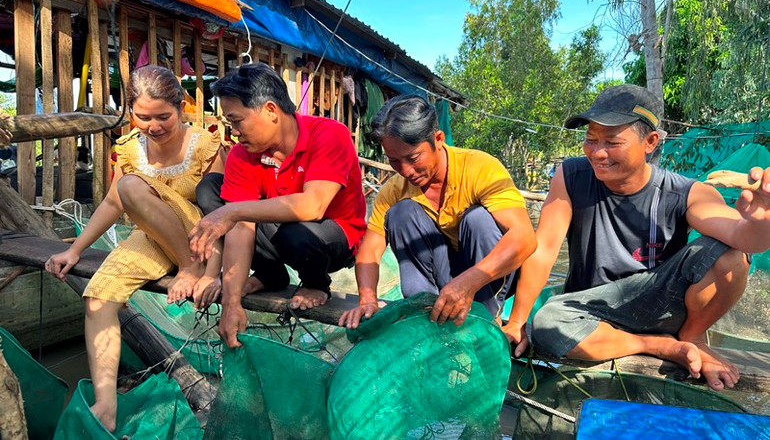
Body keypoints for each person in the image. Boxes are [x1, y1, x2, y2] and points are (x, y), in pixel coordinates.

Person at [505, 84, 770, 391]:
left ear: (651, 142)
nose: (597, 152)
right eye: (590, 140)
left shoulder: (686, 192)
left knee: (730, 253)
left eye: (612, 142)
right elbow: (545, 249)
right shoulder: (571, 175)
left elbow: (744, 238)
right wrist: (517, 321)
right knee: (547, 322)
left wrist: (760, 224)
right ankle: (660, 346)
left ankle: (693, 338)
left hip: (657, 305)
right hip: (589, 311)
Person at [44, 65, 226, 430]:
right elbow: (113, 204)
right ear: (131, 111)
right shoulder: (129, 149)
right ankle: (106, 405)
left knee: (130, 186)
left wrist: (207, 273)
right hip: (153, 238)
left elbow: (219, 212)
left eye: (163, 116)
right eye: (143, 117)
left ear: (181, 108)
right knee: (98, 298)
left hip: (200, 237)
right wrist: (75, 250)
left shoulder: (205, 144)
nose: (153, 125)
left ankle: (186, 266)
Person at [189, 62, 367, 349]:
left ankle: (315, 283)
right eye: (230, 124)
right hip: (283, 231)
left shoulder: (329, 134)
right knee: (210, 189)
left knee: (293, 232)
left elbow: (313, 206)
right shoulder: (242, 155)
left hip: (333, 239)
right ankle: (271, 274)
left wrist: (232, 211)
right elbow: (241, 228)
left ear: (271, 110)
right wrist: (231, 302)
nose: (233, 132)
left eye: (237, 121)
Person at [339, 95, 537, 329]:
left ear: (438, 139)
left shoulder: (480, 168)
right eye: (394, 161)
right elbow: (370, 251)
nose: (405, 171)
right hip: (444, 277)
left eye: (413, 158)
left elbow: (524, 238)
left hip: (486, 278)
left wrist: (467, 283)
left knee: (478, 220)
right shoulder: (394, 190)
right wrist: (368, 299)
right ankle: (426, 313)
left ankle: (486, 315)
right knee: (401, 213)